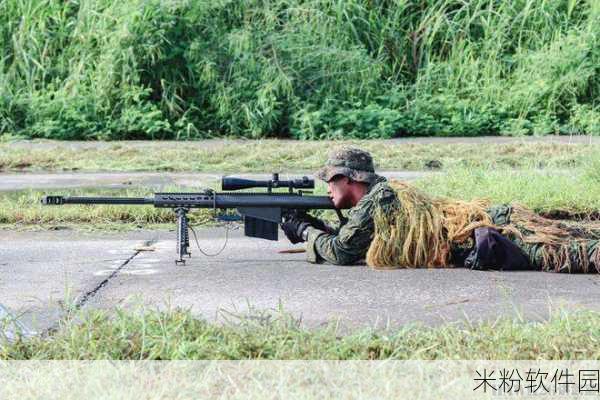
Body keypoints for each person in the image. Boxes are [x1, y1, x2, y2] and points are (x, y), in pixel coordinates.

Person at [280, 146, 600, 273]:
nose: (327, 188)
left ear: (347, 178)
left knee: (574, 255)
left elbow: (342, 251)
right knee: (574, 237)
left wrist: (306, 231)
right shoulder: (384, 194)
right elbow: (356, 238)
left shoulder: (376, 202)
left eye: (329, 180)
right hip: (490, 226)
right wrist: (318, 228)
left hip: (492, 237)